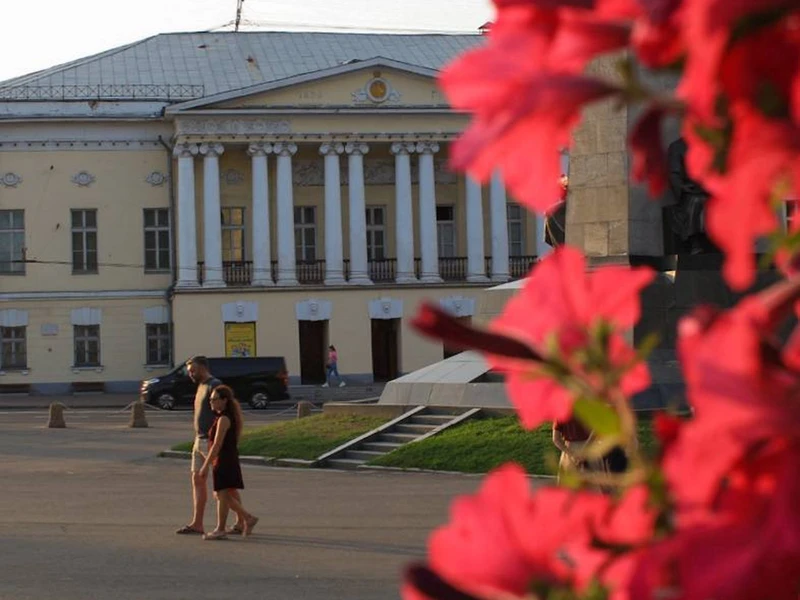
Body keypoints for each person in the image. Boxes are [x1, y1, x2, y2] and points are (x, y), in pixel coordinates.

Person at [198, 385, 259, 540]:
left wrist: (205, 465)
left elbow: (217, 445)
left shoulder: (224, 419)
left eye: (214, 399)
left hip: (224, 460)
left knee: (221, 494)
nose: (211, 402)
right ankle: (242, 521)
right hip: (227, 459)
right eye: (210, 399)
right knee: (226, 493)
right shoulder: (224, 417)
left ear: (224, 400)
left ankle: (225, 527)